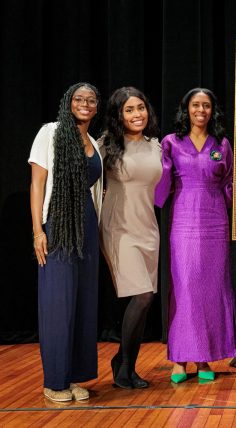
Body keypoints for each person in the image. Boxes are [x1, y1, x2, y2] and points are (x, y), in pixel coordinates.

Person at [155, 88, 236, 383]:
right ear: (186, 109)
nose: (200, 110)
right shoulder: (171, 143)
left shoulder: (222, 144)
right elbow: (160, 182)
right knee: (185, 286)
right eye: (195, 105)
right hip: (184, 219)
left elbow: (229, 183)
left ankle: (203, 359)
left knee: (210, 288)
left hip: (215, 220)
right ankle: (179, 360)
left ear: (212, 110)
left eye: (206, 105)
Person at [29, 82, 103, 402]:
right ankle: (54, 381)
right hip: (58, 224)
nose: (84, 104)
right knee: (58, 303)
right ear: (68, 102)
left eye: (90, 100)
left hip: (86, 225)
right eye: (79, 99)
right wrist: (37, 231)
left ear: (96, 107)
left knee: (83, 302)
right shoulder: (51, 132)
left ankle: (73, 377)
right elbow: (37, 184)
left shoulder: (94, 143)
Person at [99, 87, 162, 389]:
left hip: (148, 227)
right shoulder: (106, 145)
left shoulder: (156, 146)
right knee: (142, 295)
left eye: (140, 108)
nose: (137, 114)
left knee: (146, 300)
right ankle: (124, 365)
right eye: (129, 110)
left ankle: (126, 364)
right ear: (118, 115)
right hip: (119, 228)